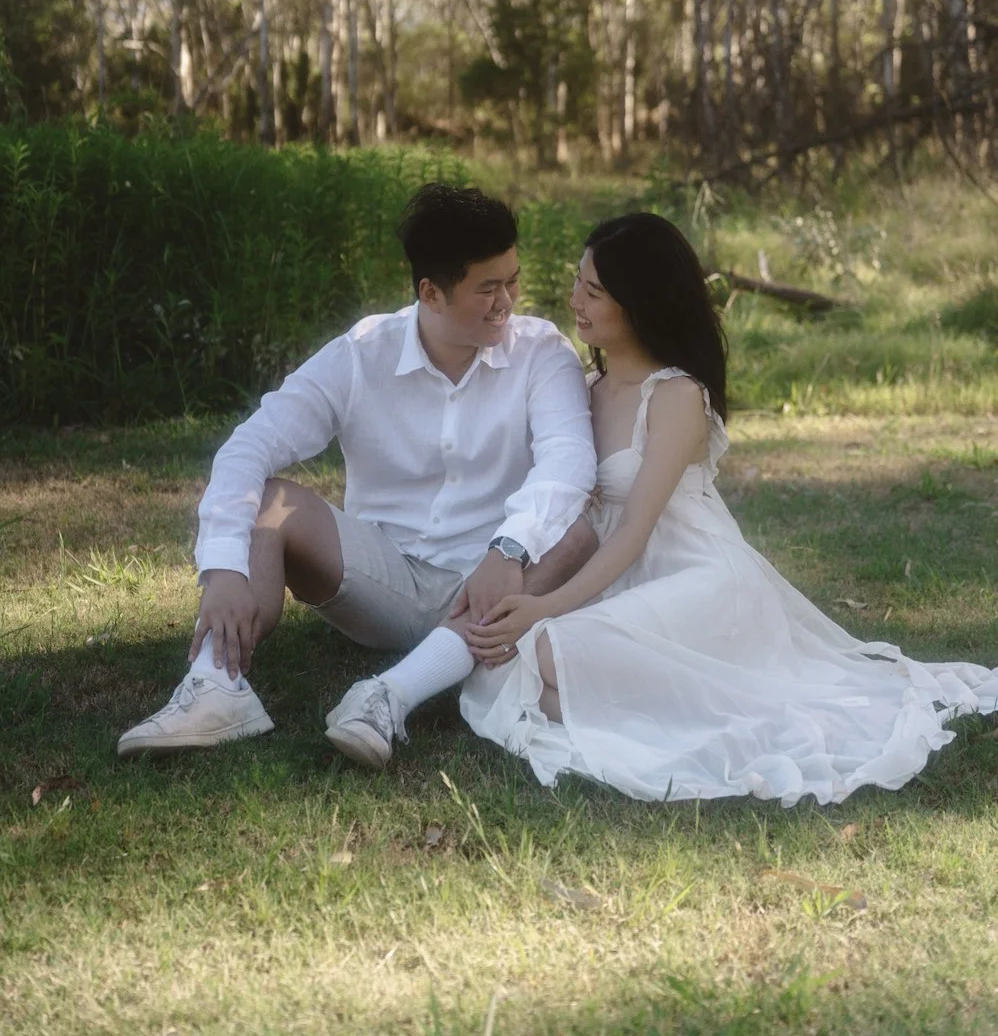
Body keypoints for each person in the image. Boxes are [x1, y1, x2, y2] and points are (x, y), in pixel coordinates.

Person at [373, 211, 998, 806]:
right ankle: (656, 698)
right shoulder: (584, 390)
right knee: (512, 666)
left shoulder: (675, 395)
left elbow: (636, 530)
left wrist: (545, 604)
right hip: (615, 579)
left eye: (593, 292)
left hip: (695, 575)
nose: (574, 301)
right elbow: (569, 507)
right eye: (577, 282)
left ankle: (720, 704)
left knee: (541, 654)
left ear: (637, 304)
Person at [117, 184, 598, 761]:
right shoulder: (363, 352)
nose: (507, 302)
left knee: (576, 532)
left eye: (513, 280)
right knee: (270, 500)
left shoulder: (542, 352)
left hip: (495, 581)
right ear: (432, 292)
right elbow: (250, 445)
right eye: (488, 288)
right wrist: (222, 567)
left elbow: (570, 460)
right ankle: (217, 687)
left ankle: (389, 695)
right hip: (382, 581)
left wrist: (508, 549)